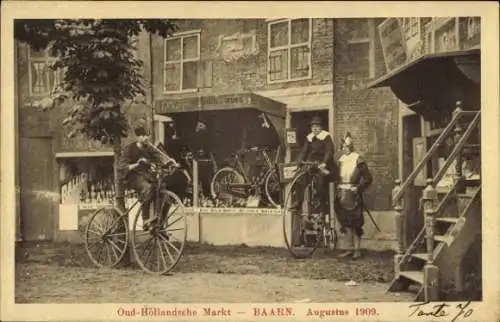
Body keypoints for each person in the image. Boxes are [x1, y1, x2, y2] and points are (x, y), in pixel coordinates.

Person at [118, 126, 178, 230]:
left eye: (147, 135)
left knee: (165, 197)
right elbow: (122, 167)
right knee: (147, 188)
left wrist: (170, 161)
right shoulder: (129, 149)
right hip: (133, 177)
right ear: (137, 137)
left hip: (148, 176)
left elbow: (160, 156)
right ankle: (145, 220)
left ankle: (159, 222)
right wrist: (136, 164)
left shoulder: (149, 147)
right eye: (143, 135)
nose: (146, 137)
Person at [335, 133, 373, 260]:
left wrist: (358, 187)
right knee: (345, 222)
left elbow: (368, 178)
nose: (344, 148)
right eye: (343, 146)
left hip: (353, 195)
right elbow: (336, 177)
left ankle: (357, 249)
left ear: (351, 146)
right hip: (342, 194)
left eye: (347, 146)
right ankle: (349, 249)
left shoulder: (358, 159)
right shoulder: (341, 160)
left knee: (356, 222)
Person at [293, 116, 338, 214]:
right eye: (313, 127)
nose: (315, 129)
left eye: (317, 127)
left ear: (321, 127)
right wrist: (299, 162)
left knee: (320, 183)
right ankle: (298, 202)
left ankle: (322, 204)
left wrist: (324, 163)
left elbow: (329, 151)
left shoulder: (326, 137)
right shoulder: (310, 138)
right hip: (312, 163)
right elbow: (304, 151)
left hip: (323, 163)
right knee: (299, 177)